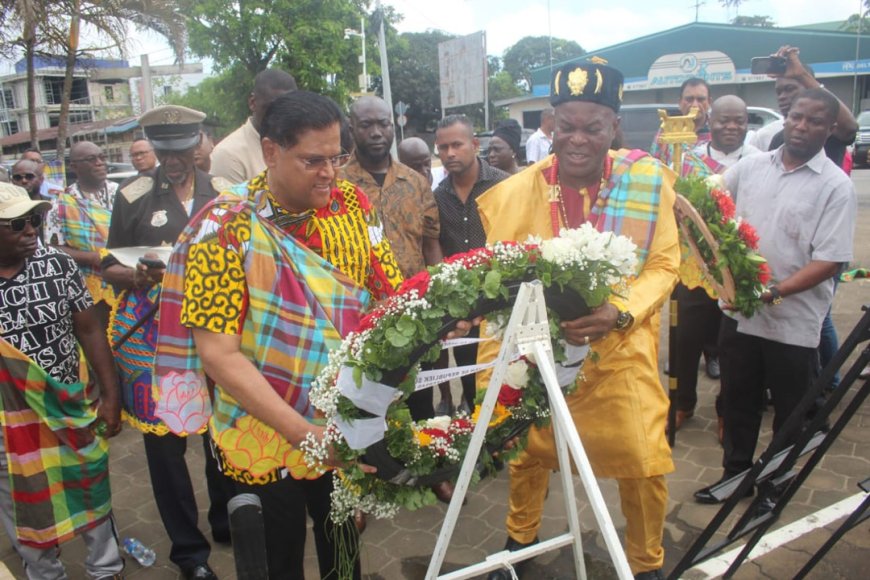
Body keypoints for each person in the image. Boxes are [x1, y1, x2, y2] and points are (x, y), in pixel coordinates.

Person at [155, 90, 404, 579]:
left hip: (340, 418)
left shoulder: (352, 204)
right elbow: (218, 355)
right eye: (313, 160)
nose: (329, 173)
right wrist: (304, 433)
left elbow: (386, 284)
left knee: (344, 553)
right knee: (277, 559)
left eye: (338, 157)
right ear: (270, 151)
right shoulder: (224, 229)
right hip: (264, 431)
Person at [476, 61, 680, 580]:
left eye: (593, 127)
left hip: (621, 347)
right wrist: (490, 374)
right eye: (566, 125)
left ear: (614, 126)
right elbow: (497, 285)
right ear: (549, 124)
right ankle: (519, 542)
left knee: (644, 458)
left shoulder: (645, 182)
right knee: (527, 451)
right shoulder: (515, 193)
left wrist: (619, 311)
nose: (578, 139)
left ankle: (647, 563)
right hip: (540, 350)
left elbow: (663, 265)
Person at [694, 89, 856, 506]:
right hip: (741, 313)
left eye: (815, 121)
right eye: (797, 117)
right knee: (738, 398)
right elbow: (708, 200)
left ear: (830, 129)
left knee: (790, 409)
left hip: (794, 320)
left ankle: (774, 484)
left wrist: (775, 291)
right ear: (786, 118)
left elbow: (831, 260)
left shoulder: (835, 186)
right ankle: (735, 477)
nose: (802, 126)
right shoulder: (751, 167)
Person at [101, 105, 233, 580]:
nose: (173, 161)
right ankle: (189, 554)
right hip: (154, 338)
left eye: (180, 151)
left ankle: (226, 520)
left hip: (214, 330)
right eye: (163, 152)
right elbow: (107, 265)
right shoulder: (133, 195)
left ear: (198, 143)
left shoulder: (221, 194)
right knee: (167, 446)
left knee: (219, 429)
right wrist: (134, 275)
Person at [0, 182, 123, 579]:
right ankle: (45, 574)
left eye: (35, 219)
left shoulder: (57, 265)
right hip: (8, 424)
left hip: (69, 407)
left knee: (90, 487)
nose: (31, 230)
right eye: (17, 224)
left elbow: (89, 332)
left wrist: (110, 396)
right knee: (23, 505)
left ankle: (105, 569)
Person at [747, 46, 858, 390]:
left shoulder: (828, 130)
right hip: (776, 263)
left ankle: (827, 385)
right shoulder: (774, 137)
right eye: (780, 93)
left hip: (817, 245)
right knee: (776, 314)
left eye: (791, 90)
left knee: (816, 319)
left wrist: (802, 75)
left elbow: (849, 125)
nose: (784, 100)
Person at [339, 96, 443, 419]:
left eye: (383, 124)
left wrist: (439, 297)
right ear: (352, 127)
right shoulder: (335, 185)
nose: (376, 132)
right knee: (368, 409)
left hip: (415, 314)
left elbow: (431, 243)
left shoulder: (415, 183)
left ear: (393, 126)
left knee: (420, 407)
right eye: (366, 125)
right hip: (360, 318)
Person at [671, 96, 761, 433]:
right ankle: (682, 405)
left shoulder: (759, 161)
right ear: (710, 120)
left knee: (732, 347)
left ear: (747, 122)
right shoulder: (690, 159)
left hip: (736, 268)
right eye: (724, 120)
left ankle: (727, 413)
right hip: (694, 267)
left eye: (739, 120)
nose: (731, 126)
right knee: (685, 342)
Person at [434, 115, 510, 414]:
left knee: (506, 374)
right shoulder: (439, 196)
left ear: (475, 144)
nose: (449, 153)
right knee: (467, 370)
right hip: (462, 307)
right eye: (442, 147)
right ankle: (475, 435)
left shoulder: (504, 185)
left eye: (457, 145)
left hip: (501, 301)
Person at [44, 141, 118, 325]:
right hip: (87, 289)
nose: (100, 163)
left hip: (127, 280)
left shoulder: (124, 193)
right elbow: (53, 248)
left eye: (102, 157)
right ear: (74, 166)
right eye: (91, 159)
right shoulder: (60, 204)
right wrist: (93, 258)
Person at [210, 69, 297, 183]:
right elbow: (230, 200)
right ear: (252, 102)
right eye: (271, 108)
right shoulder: (228, 154)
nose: (280, 115)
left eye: (288, 108)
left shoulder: (301, 144)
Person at [650, 77, 711, 168]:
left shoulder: (716, 131)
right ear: (680, 102)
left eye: (700, 99)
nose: (695, 105)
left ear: (709, 102)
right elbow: (654, 165)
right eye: (689, 99)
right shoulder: (667, 129)